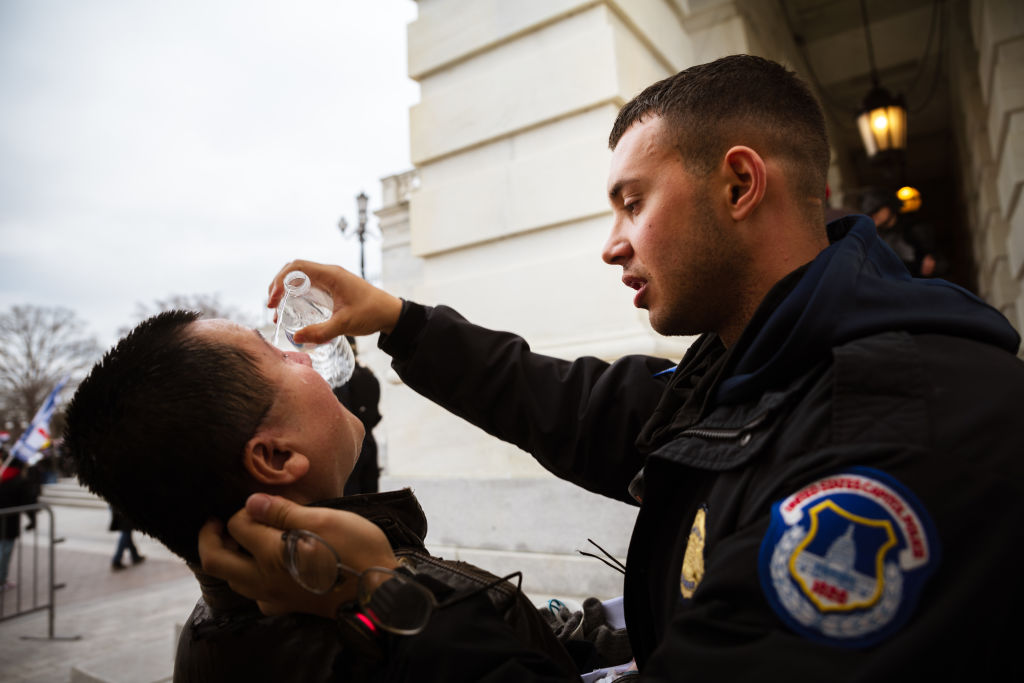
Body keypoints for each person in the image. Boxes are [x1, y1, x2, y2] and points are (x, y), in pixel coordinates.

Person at [198, 54, 1024, 681]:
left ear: (739, 183)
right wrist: (400, 320)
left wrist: (381, 592)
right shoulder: (759, 360)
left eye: (633, 201)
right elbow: (584, 407)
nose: (612, 243)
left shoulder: (888, 437)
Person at [63, 311, 576, 682]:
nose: (302, 353)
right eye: (276, 356)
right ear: (278, 458)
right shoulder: (447, 603)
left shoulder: (210, 631)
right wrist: (386, 593)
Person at [333, 337, 382, 495]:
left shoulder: (339, 378)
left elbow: (343, 414)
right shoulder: (369, 374)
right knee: (370, 498)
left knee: (352, 500)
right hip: (369, 441)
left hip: (350, 446)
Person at [861, 188, 942, 277]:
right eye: (869, 213)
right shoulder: (872, 236)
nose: (873, 216)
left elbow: (940, 260)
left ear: (888, 206)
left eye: (876, 210)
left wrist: (933, 263)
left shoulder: (914, 229)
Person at [108, 506, 145, 570]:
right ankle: (116, 560)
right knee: (126, 532)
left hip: (119, 507)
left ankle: (135, 555)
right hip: (122, 508)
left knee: (127, 533)